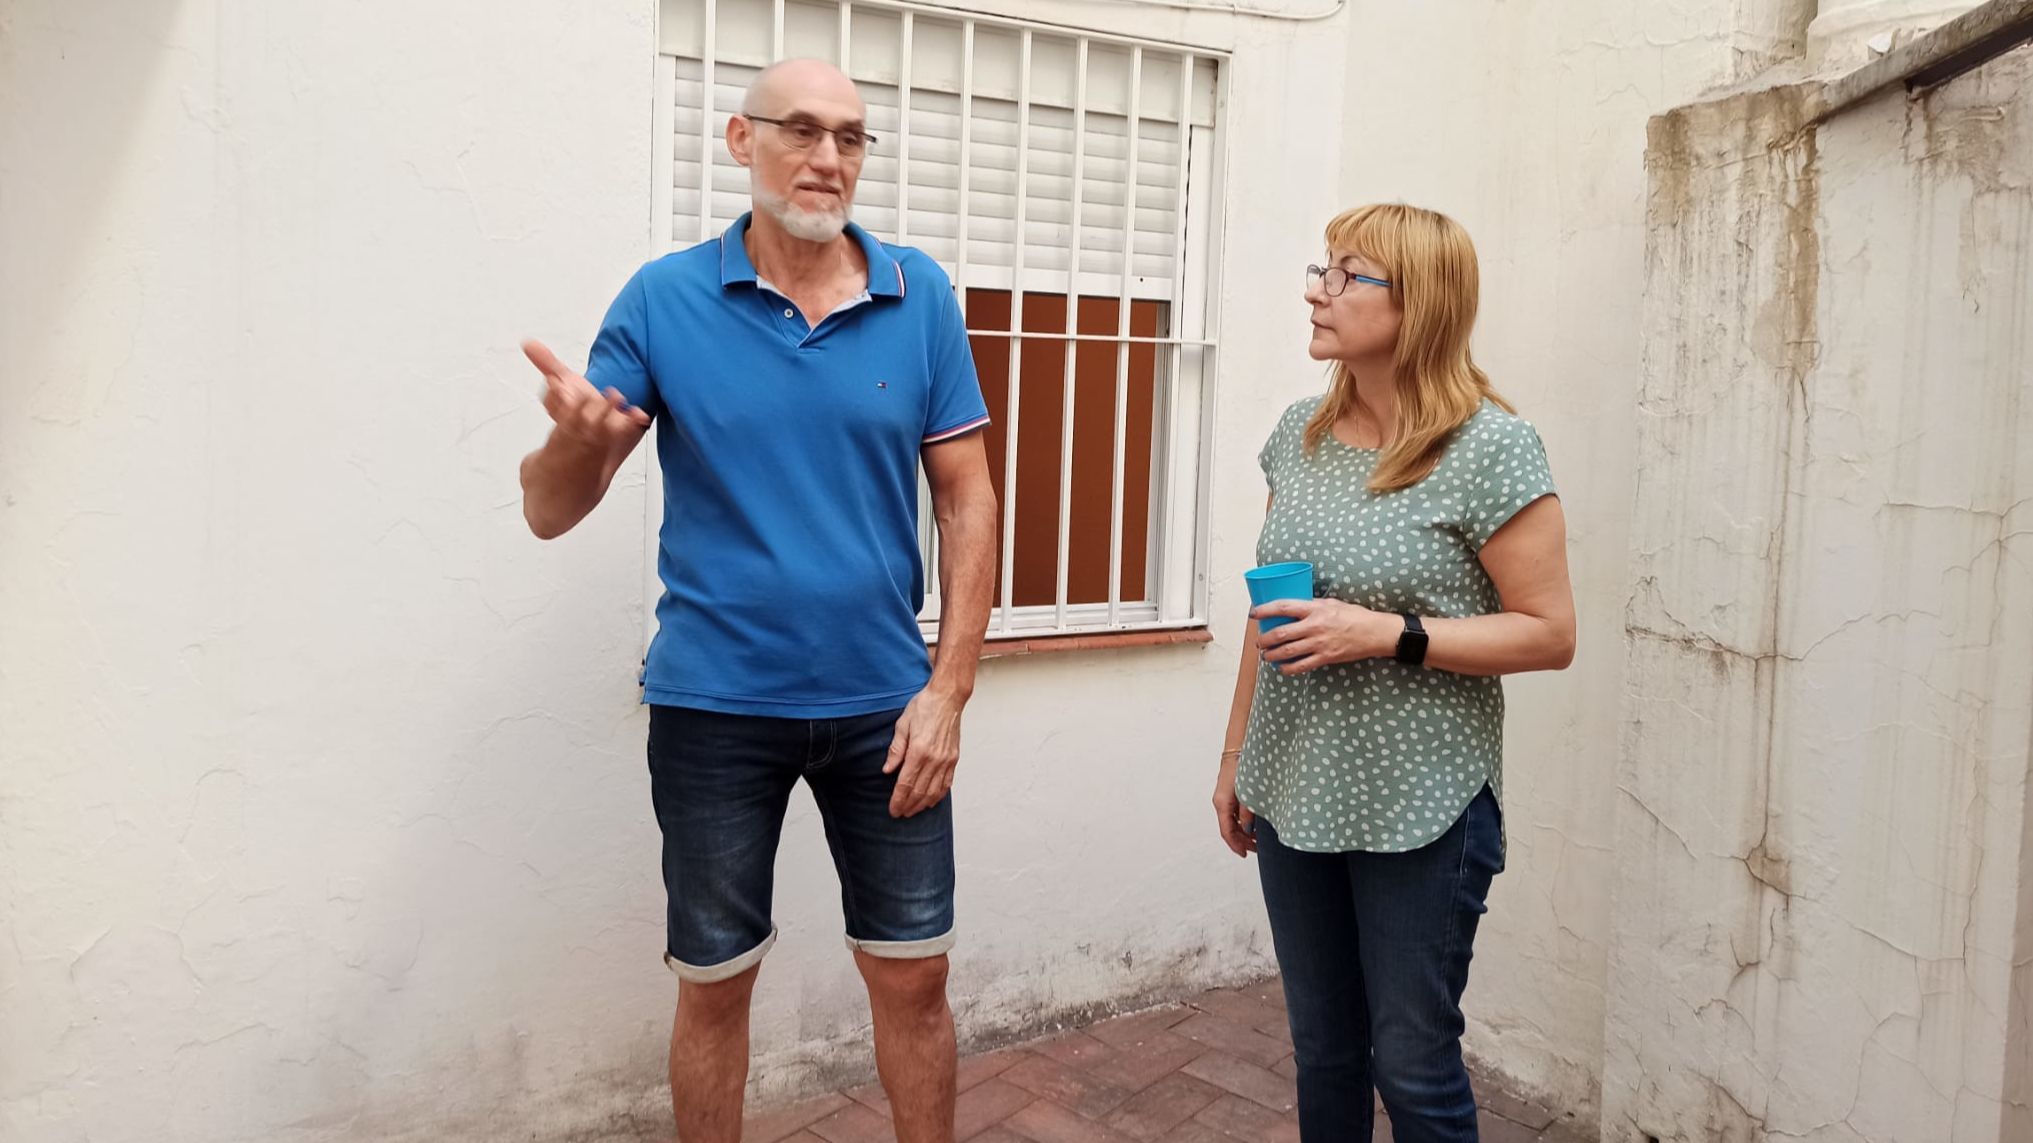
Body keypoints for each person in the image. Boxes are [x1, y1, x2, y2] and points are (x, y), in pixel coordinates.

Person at [517, 58, 997, 1143]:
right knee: (714, 983)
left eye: (852, 137)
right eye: (801, 130)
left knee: (913, 981)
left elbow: (968, 500)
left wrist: (949, 688)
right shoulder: (664, 298)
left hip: (888, 712)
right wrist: (573, 443)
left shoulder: (918, 296)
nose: (828, 159)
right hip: (714, 709)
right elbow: (551, 510)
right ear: (742, 141)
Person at [1212, 203, 1576, 1142]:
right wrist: (1235, 755)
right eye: (1319, 268)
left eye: (1345, 275)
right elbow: (1272, 615)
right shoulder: (1299, 432)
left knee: (1412, 1064)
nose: (1314, 290)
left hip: (1423, 802)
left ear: (1418, 304)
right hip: (1294, 787)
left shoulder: (1491, 446)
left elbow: (1548, 632)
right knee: (1323, 1051)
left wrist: (1386, 632)